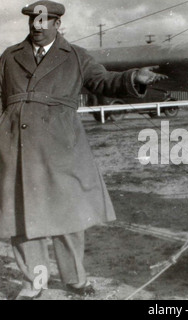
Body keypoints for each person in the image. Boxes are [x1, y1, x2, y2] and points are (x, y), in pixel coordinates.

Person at [0, 1, 167, 300]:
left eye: (44, 22)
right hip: (16, 146)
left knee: (67, 215)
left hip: (61, 145)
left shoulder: (76, 56)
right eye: (33, 23)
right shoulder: (9, 57)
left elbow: (103, 81)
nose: (37, 28)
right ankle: (35, 283)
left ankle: (75, 280)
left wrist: (132, 78)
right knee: (23, 216)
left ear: (57, 24)